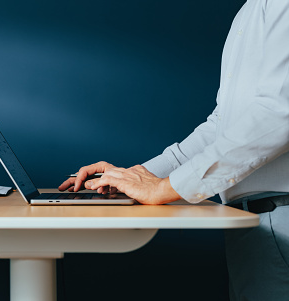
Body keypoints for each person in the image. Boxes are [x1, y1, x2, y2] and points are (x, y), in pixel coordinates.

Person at [59, 1, 289, 300]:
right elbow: (221, 125)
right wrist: (137, 178)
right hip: (260, 223)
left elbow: (277, 115)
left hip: (278, 217)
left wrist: (166, 188)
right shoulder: (251, 10)